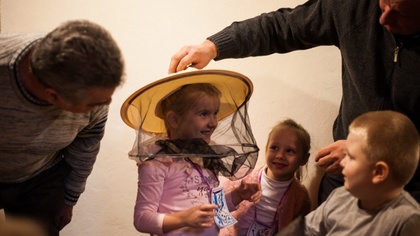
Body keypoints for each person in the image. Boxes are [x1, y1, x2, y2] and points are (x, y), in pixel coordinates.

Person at [167, 0, 420, 205]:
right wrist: (213, 47)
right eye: (384, 3)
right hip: (345, 177)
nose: (383, 18)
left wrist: (366, 152)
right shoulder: (353, 6)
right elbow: (281, 27)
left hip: (410, 187)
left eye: (401, 13)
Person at [0, 20, 125, 235]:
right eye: (94, 103)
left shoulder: (94, 95)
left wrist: (69, 200)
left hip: (42, 177)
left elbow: (85, 148)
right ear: (53, 97)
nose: (105, 107)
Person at [120, 70, 261, 236]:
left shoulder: (206, 157)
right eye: (203, 114)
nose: (213, 122)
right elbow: (142, 219)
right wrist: (184, 219)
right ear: (174, 119)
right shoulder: (158, 161)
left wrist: (238, 195)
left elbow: (213, 209)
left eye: (215, 113)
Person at [277, 110, 420, 235]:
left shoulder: (407, 219)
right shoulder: (340, 197)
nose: (342, 162)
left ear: (379, 172)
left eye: (350, 157)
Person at [220, 119, 311, 236]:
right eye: (274, 148)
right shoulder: (243, 176)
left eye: (289, 151)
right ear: (266, 148)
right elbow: (217, 209)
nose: (280, 156)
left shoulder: (300, 198)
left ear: (304, 159)